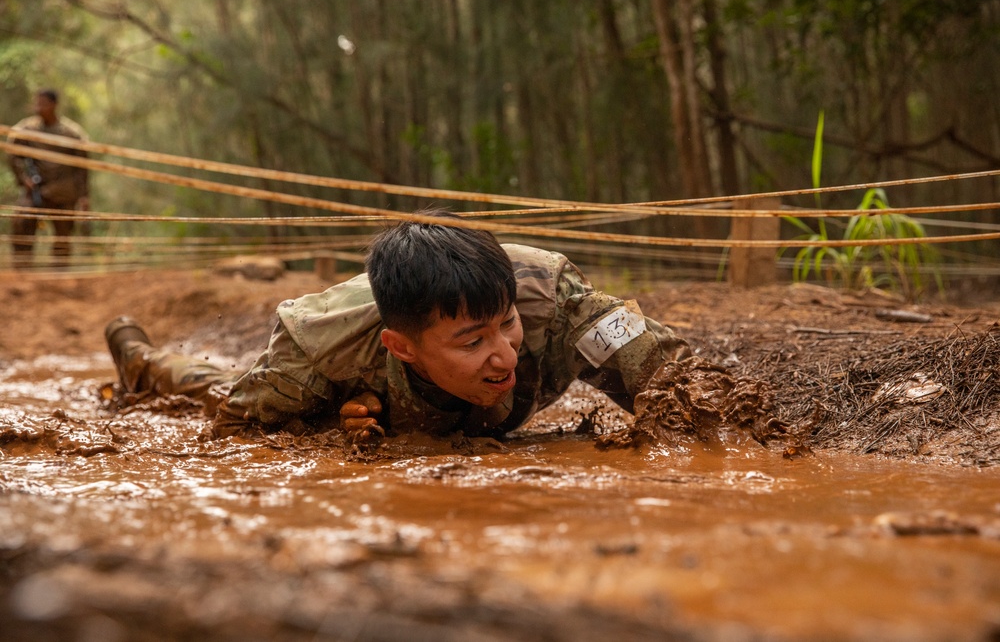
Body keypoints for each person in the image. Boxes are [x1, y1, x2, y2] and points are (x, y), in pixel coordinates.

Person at [105, 214, 692, 441]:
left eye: (506, 325)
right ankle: (143, 360)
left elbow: (675, 376)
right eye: (471, 341)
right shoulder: (320, 351)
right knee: (215, 389)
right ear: (400, 347)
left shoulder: (556, 301)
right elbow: (235, 432)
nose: (505, 357)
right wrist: (332, 428)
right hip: (333, 373)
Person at [6, 88, 90, 268]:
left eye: (42, 104)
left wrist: (84, 196)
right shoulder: (26, 129)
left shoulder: (72, 133)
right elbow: (12, 154)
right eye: (36, 103)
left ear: (54, 105)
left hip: (64, 192)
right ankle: (22, 274)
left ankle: (58, 278)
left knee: (63, 236)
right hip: (35, 190)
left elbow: (83, 167)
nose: (38, 107)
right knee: (21, 224)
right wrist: (23, 178)